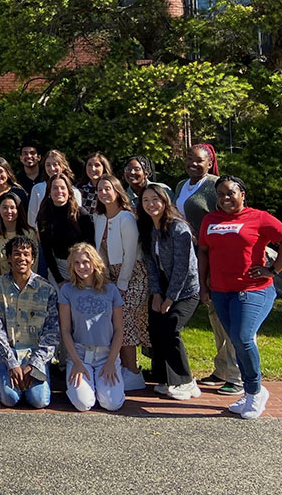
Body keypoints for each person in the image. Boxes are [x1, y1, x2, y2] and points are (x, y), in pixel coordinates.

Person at [198, 176, 282, 419]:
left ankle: (255, 391)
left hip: (253, 290)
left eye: (230, 193)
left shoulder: (259, 217)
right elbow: (203, 252)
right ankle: (248, 391)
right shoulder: (210, 220)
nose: (225, 198)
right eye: (220, 194)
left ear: (243, 194)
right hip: (221, 291)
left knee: (243, 339)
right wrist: (203, 285)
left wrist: (273, 269)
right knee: (235, 340)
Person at [175, 142, 240, 394]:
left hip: (215, 257)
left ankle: (236, 375)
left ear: (210, 162)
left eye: (199, 160)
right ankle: (222, 369)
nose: (193, 163)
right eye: (189, 158)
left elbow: (229, 215)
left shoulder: (215, 186)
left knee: (228, 317)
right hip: (193, 258)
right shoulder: (182, 185)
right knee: (214, 315)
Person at [139, 184, 202, 401]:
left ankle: (186, 381)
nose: (150, 204)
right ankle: (166, 379)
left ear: (165, 201)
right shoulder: (148, 229)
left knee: (171, 326)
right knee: (156, 327)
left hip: (185, 290)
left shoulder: (178, 229)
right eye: (145, 200)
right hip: (163, 287)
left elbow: (183, 268)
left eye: (155, 199)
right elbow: (151, 266)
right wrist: (156, 294)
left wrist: (169, 298)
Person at [0, 236, 59, 408]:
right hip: (8, 354)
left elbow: (52, 333)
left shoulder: (47, 289)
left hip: (35, 355)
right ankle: (1, 376)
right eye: (16, 254)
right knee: (10, 399)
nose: (22, 258)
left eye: (26, 254)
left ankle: (38, 381)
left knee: (38, 401)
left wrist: (34, 364)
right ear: (9, 257)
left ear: (33, 259)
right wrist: (11, 363)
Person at [92, 175, 150, 391]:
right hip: (111, 276)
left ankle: (133, 372)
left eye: (108, 188)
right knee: (115, 322)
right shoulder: (98, 218)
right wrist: (105, 280)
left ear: (117, 191)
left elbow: (131, 254)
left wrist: (122, 285)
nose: (103, 193)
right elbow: (100, 251)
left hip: (133, 275)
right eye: (100, 189)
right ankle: (124, 367)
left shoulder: (126, 218)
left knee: (125, 321)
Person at [58, 243, 125, 412]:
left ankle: (101, 385)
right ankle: (84, 387)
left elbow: (118, 330)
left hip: (106, 355)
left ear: (95, 262)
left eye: (86, 261)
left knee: (112, 403)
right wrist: (76, 362)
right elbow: (65, 330)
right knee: (83, 404)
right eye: (77, 263)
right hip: (80, 354)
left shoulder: (111, 290)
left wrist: (111, 361)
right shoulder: (67, 290)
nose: (82, 267)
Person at [36, 174, 93, 284]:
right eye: (55, 188)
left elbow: (90, 246)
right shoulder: (43, 217)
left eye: (63, 188)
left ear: (69, 191)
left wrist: (84, 270)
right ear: (49, 192)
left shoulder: (81, 214)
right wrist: (59, 280)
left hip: (83, 265)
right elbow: (47, 251)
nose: (59, 191)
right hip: (59, 268)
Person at [0, 192, 39, 280]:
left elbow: (33, 265)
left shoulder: (29, 233)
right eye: (4, 207)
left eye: (12, 208)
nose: (9, 211)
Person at [26, 149, 83, 224]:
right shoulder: (37, 189)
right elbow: (32, 218)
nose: (52, 168)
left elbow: (78, 218)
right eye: (48, 165)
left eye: (55, 164)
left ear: (63, 166)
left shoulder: (74, 191)